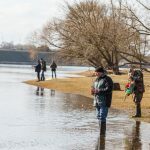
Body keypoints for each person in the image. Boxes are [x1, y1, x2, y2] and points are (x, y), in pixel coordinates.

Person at [91, 67, 113, 135]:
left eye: (97, 72)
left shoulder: (107, 79)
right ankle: (101, 135)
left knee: (102, 116)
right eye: (95, 72)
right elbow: (94, 87)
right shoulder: (96, 79)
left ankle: (102, 134)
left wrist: (99, 91)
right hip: (97, 100)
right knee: (98, 116)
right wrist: (93, 90)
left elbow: (109, 89)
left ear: (101, 72)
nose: (95, 74)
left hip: (104, 100)